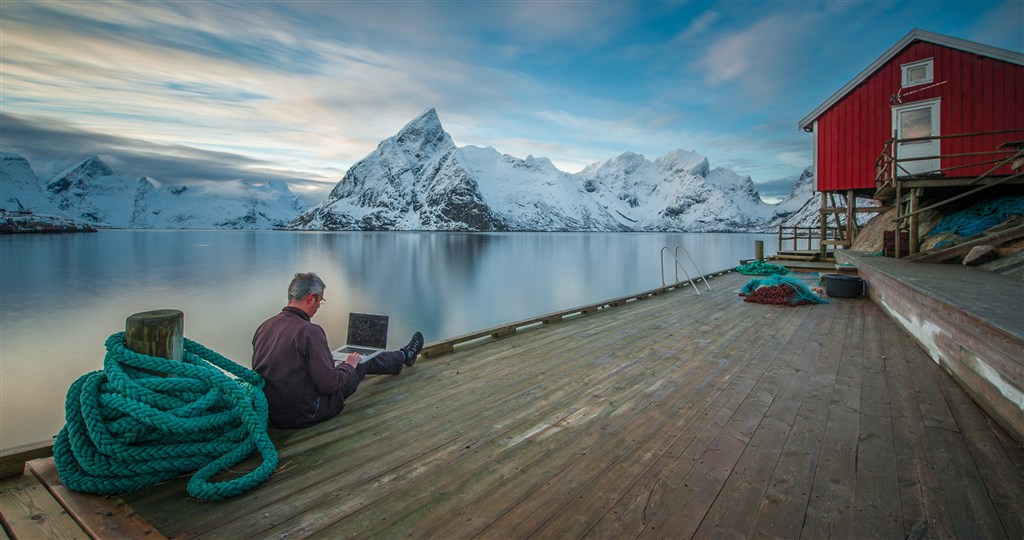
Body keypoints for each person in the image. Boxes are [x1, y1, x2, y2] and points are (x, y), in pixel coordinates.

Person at [252, 272, 424, 429]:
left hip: (274, 415)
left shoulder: (264, 327)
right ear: (310, 298)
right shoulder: (310, 331)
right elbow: (329, 384)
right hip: (308, 413)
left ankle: (400, 357)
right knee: (362, 360)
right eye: (320, 300)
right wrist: (349, 365)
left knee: (345, 360)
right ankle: (404, 355)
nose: (319, 306)